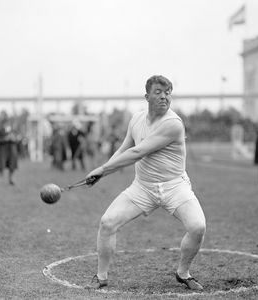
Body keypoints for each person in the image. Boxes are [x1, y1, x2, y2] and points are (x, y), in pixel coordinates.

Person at [85, 75, 206, 290]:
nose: (164, 97)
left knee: (197, 227)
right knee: (107, 222)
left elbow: (138, 152)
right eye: (158, 92)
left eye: (168, 92)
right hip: (143, 187)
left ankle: (183, 272)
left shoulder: (173, 124)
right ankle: (101, 276)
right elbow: (124, 148)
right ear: (147, 96)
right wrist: (103, 170)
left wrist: (103, 170)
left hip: (174, 186)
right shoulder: (136, 120)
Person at [0, 119, 20, 185]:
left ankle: (11, 179)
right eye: (6, 124)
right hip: (3, 150)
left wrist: (14, 139)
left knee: (12, 165)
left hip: (12, 150)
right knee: (1, 165)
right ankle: (0, 179)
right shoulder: (0, 131)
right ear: (3, 124)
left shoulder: (13, 131)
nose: (7, 125)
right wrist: (5, 139)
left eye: (8, 123)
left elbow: (18, 140)